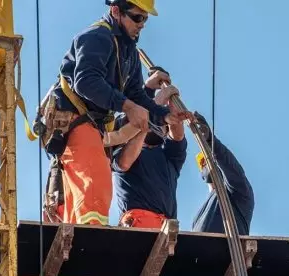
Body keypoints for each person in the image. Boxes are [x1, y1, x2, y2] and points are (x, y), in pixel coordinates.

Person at [42, 0, 190, 225]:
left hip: (92, 126)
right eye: (137, 17)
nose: (142, 24)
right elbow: (86, 82)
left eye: (145, 19)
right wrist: (128, 107)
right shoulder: (97, 37)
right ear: (115, 11)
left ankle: (79, 239)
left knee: (84, 192)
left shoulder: (128, 50)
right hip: (76, 120)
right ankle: (90, 239)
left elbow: (137, 96)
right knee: (94, 183)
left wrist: (164, 116)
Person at [111, 72, 187, 229]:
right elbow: (124, 163)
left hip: (166, 228)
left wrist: (173, 105)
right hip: (137, 224)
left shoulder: (168, 157)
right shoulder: (122, 150)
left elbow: (177, 135)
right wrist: (150, 116)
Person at [191, 114, 255, 235]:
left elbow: (230, 164)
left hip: (227, 252)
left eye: (210, 159)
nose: (208, 164)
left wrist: (210, 140)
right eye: (204, 162)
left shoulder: (238, 193)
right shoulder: (199, 216)